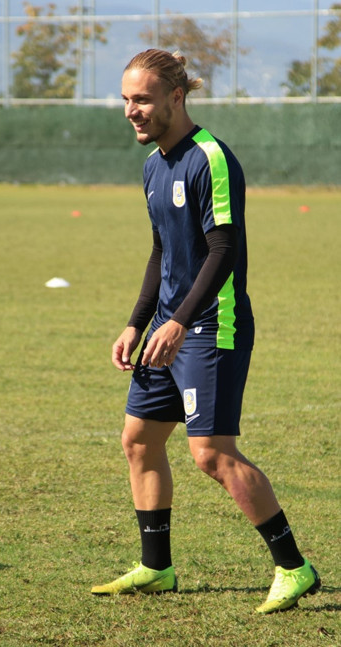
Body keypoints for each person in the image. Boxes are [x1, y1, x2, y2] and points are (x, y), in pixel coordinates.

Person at [91, 49, 321, 614]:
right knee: (139, 441)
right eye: (125, 100)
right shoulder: (152, 166)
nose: (131, 111)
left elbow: (224, 249)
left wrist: (178, 321)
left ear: (176, 97)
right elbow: (161, 253)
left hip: (210, 326)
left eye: (142, 99)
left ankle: (295, 568)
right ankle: (155, 566)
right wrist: (136, 322)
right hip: (169, 327)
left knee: (212, 454)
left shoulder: (211, 159)